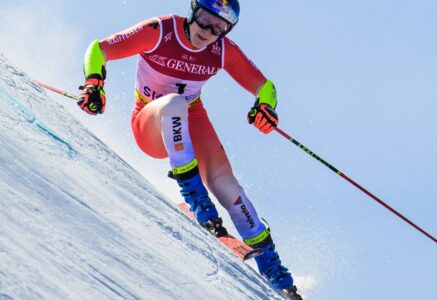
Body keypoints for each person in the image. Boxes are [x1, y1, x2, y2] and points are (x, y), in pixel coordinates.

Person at [77, 0, 301, 298]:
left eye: (220, 28)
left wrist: (265, 106)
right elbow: (99, 48)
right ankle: (199, 203)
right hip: (151, 124)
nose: (209, 32)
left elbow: (265, 86)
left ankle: (277, 274)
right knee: (174, 104)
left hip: (191, 118)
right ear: (194, 11)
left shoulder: (222, 51)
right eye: (206, 20)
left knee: (227, 184)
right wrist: (94, 84)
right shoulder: (160, 31)